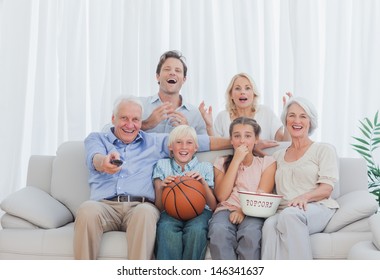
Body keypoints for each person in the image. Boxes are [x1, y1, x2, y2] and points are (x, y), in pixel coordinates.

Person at [73, 96, 230, 260]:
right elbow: (95, 157)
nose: (130, 124)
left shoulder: (153, 141)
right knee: (86, 210)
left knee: (146, 212)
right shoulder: (97, 138)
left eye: (135, 119)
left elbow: (202, 142)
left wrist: (242, 143)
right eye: (124, 118)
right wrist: (104, 162)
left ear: (141, 122)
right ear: (113, 119)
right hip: (104, 206)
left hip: (139, 206)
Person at [261, 96, 339, 260]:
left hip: (316, 206)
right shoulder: (277, 156)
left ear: (310, 122)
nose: (297, 120)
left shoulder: (323, 150)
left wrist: (304, 197)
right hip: (285, 211)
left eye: (303, 116)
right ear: (286, 120)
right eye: (292, 115)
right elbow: (263, 168)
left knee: (290, 215)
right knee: (269, 225)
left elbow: (327, 189)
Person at [208, 117, 276, 260]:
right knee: (219, 230)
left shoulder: (267, 163)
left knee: (251, 233)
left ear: (256, 139)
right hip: (225, 210)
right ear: (231, 140)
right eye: (237, 136)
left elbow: (262, 194)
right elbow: (221, 196)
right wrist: (236, 160)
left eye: (248, 136)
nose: (242, 141)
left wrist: (242, 210)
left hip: (254, 211)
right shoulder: (221, 162)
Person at [153, 125, 217, 260]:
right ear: (171, 146)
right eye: (178, 142)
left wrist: (203, 183)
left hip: (199, 212)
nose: (183, 147)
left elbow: (213, 206)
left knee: (197, 230)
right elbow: (159, 207)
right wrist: (162, 189)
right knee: (165, 229)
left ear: (196, 148)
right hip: (170, 211)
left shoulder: (205, 167)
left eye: (189, 143)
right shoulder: (161, 165)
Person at [199, 72, 291, 154]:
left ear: (254, 94)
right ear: (231, 94)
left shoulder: (266, 112)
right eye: (238, 88)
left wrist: (287, 119)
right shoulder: (222, 117)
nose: (243, 92)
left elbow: (284, 143)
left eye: (247, 88)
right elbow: (215, 149)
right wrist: (209, 126)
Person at [138, 50, 207, 134]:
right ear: (158, 76)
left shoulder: (195, 114)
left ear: (184, 79)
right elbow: (119, 133)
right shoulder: (139, 105)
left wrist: (188, 132)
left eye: (177, 70)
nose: (172, 73)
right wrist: (146, 124)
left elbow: (204, 144)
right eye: (167, 69)